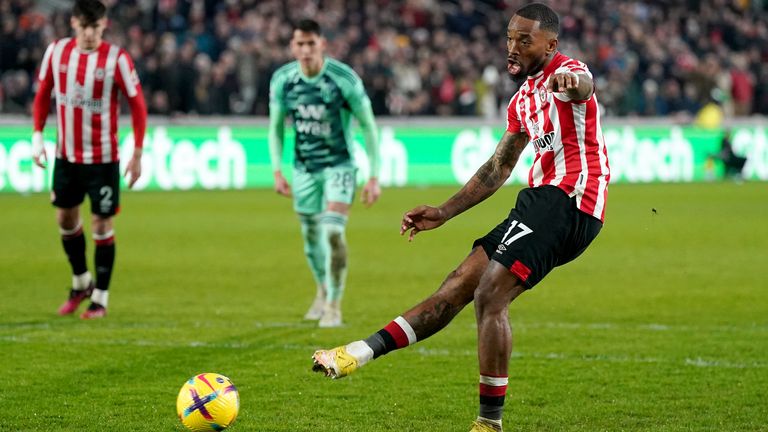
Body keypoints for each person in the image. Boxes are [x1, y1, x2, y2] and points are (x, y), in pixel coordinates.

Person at [311, 4, 610, 431]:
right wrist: (444, 212)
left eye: (524, 41)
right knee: (457, 286)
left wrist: (573, 81)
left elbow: (584, 85)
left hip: (572, 198)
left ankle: (489, 424)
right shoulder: (522, 99)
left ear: (550, 44)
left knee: (491, 295)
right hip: (538, 201)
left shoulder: (567, 71)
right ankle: (355, 353)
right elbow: (497, 168)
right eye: (510, 38)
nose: (512, 47)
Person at [31, 0, 147, 319]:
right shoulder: (56, 52)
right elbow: (43, 95)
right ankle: (81, 282)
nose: (90, 34)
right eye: (84, 27)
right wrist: (37, 136)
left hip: (103, 159)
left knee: (101, 223)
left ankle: (101, 298)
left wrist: (137, 154)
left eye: (95, 27)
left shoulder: (117, 59)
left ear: (104, 25)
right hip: (66, 156)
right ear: (73, 24)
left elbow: (138, 107)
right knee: (65, 220)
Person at [268, 19, 381, 328]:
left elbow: (369, 126)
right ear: (292, 47)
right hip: (303, 168)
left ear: (322, 45)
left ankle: (334, 304)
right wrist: (277, 170)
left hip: (339, 166)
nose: (305, 50)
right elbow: (276, 128)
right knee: (310, 237)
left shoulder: (343, 79)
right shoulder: (282, 81)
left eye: (310, 44)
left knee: (332, 231)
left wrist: (374, 176)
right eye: (299, 44)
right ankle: (321, 289)